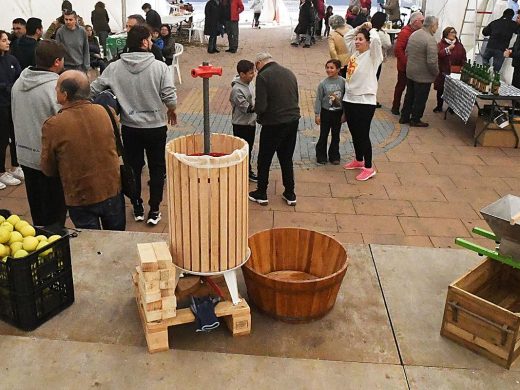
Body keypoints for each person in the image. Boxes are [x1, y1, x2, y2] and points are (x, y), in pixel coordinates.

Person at [90, 25, 177, 225]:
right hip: (156, 127)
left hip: (129, 128)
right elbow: (169, 96)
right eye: (150, 39)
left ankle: (137, 206)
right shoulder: (159, 67)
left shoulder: (114, 67)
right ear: (144, 42)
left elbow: (94, 89)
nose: (152, 43)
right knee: (157, 169)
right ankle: (154, 210)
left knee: (133, 168)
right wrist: (171, 109)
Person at [41, 70, 124, 231]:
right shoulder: (107, 112)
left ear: (65, 94)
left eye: (57, 88)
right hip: (112, 189)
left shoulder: (53, 125)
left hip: (80, 196)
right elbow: (116, 147)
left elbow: (48, 168)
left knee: (91, 246)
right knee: (117, 240)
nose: (55, 91)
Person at [11, 39, 67, 227]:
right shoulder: (57, 88)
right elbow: (63, 124)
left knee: (37, 209)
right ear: (57, 62)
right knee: (55, 212)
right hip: (49, 160)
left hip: (25, 155)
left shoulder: (18, 83)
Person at [248, 52, 300, 206]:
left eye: (256, 67)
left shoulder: (263, 77)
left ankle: (261, 192)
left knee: (264, 159)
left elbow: (261, 106)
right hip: (293, 120)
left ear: (259, 63)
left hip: (273, 124)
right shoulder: (289, 72)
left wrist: (258, 115)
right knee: (286, 158)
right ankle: (290, 193)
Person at [342, 23, 383, 181]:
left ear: (368, 41)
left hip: (365, 101)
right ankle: (358, 160)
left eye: (361, 39)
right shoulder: (355, 53)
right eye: (357, 39)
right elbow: (347, 37)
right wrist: (359, 27)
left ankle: (368, 166)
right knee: (354, 132)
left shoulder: (373, 56)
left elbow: (377, 42)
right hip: (350, 99)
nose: (357, 41)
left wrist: (370, 28)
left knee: (363, 134)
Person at [399, 16, 439, 127]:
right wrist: (436, 72)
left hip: (411, 71)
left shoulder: (414, 34)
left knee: (409, 95)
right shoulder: (430, 39)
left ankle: (404, 116)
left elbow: (407, 51)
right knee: (420, 98)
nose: (437, 27)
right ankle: (415, 119)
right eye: (437, 25)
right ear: (432, 26)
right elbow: (432, 61)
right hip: (423, 75)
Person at [0, 30, 23, 190]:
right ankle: (1, 172)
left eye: (7, 40)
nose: (8, 42)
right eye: (4, 40)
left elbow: (19, 77)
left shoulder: (12, 59)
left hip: (12, 104)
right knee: (2, 139)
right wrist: (7, 87)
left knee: (15, 135)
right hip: (1, 105)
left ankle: (16, 166)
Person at [391, 11, 424, 115]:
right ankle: (395, 106)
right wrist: (406, 63)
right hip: (405, 66)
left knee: (410, 89)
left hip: (412, 65)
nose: (423, 23)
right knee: (401, 86)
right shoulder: (405, 33)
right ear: (415, 21)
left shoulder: (416, 32)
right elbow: (398, 50)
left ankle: (407, 108)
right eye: (422, 21)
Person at [230, 59, 257, 182]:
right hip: (241, 124)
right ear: (242, 74)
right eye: (251, 73)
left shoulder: (250, 83)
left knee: (249, 148)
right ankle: (242, 171)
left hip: (250, 123)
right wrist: (262, 105)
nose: (253, 75)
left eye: (254, 72)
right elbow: (247, 108)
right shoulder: (237, 90)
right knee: (242, 149)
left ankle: (246, 169)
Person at [314, 59, 345, 165]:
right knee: (324, 134)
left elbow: (346, 98)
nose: (329, 70)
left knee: (336, 135)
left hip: (338, 113)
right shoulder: (323, 83)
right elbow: (318, 99)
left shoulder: (343, 82)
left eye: (332, 68)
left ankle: (334, 155)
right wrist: (317, 114)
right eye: (327, 67)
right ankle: (321, 155)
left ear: (338, 69)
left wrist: (345, 113)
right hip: (326, 112)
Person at [433, 27, 466, 113]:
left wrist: (463, 65)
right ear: (446, 34)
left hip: (455, 71)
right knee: (441, 89)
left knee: (453, 90)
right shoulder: (440, 44)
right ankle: (439, 106)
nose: (453, 34)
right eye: (451, 32)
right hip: (443, 70)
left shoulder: (459, 45)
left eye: (454, 32)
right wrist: (448, 49)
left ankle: (452, 108)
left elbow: (463, 57)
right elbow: (439, 55)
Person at [371, 11, 392, 108]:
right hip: (378, 59)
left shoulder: (370, 30)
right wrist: (386, 33)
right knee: (375, 79)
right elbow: (388, 44)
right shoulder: (381, 33)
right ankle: (372, 99)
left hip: (370, 57)